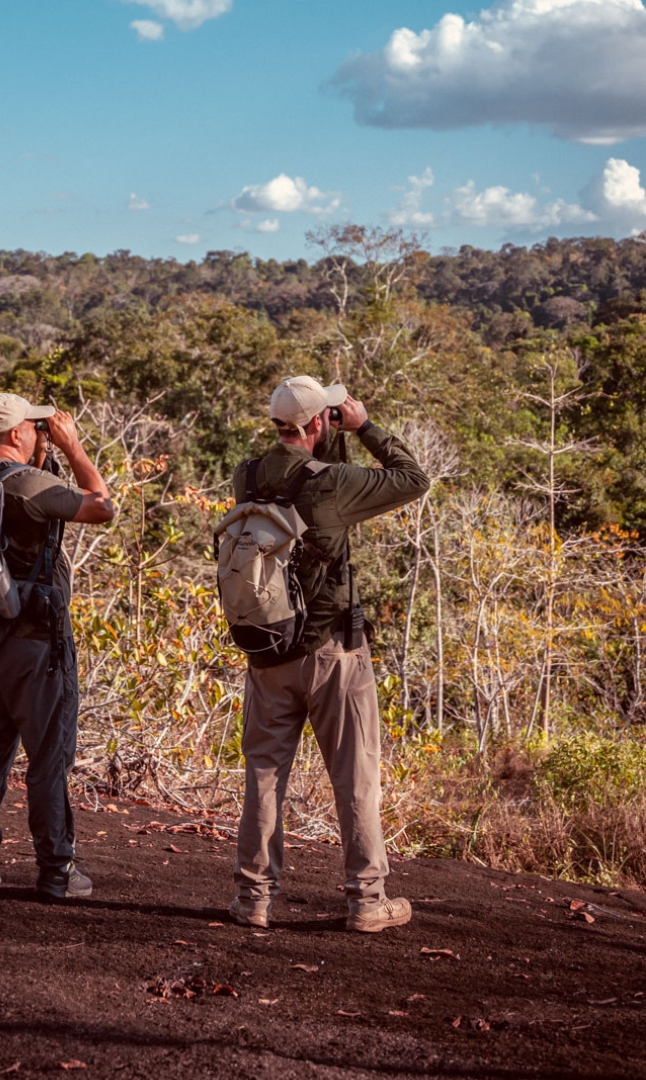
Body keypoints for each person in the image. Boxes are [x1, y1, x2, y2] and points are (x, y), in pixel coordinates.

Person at [229, 376, 429, 932]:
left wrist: (329, 437)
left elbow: (296, 497)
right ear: (319, 423)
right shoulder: (335, 481)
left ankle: (253, 899)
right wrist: (363, 427)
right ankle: (366, 900)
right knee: (355, 776)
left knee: (264, 775)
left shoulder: (245, 475)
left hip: (266, 650)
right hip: (333, 652)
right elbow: (414, 479)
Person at [0, 393, 114, 901]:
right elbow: (100, 506)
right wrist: (72, 446)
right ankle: (56, 869)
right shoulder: (29, 484)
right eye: (35, 427)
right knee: (48, 757)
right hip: (37, 643)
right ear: (18, 434)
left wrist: (44, 454)